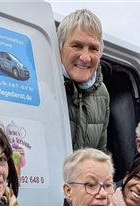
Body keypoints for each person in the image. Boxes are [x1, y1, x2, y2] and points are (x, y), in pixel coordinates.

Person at [57, 9, 110, 152]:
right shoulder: (43, 83)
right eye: (76, 46)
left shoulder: (102, 93)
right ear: (60, 47)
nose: (85, 57)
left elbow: (100, 154)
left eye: (93, 48)